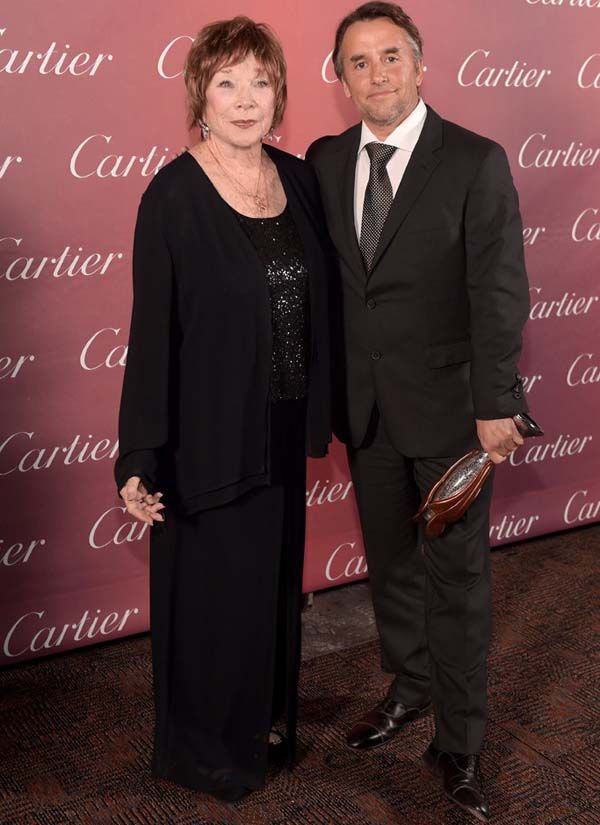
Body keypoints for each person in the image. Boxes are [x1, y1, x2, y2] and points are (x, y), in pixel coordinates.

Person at [306, 3, 530, 821]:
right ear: (340, 79)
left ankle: (461, 743)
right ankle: (410, 687)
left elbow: (499, 288)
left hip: (451, 417)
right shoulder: (327, 160)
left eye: (390, 57)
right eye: (357, 62)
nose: (376, 75)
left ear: (421, 64)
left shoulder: (474, 161)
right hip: (366, 414)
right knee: (391, 568)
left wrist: (497, 402)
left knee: (459, 581)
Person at [113, 16, 332, 802]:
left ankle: (264, 721)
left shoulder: (296, 177)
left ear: (280, 94)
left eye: (262, 82)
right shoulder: (172, 194)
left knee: (267, 588)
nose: (247, 99)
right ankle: (204, 746)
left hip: (277, 424)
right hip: (203, 436)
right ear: (199, 94)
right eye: (228, 82)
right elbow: (151, 334)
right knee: (211, 597)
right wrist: (138, 453)